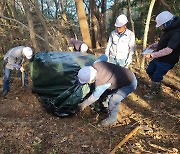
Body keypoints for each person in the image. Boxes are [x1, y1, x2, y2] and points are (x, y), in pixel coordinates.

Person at [77, 54, 137, 127]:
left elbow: (94, 97)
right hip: (123, 75)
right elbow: (104, 56)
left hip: (129, 83)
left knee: (113, 100)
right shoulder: (97, 63)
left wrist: (83, 104)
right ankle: (107, 106)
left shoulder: (102, 83)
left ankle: (112, 119)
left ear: (91, 80)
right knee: (109, 95)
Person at [144, 11, 180, 97]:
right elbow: (164, 42)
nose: (161, 27)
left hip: (167, 60)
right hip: (159, 57)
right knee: (149, 70)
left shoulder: (177, 33)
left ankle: (155, 92)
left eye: (161, 25)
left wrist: (152, 55)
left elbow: (168, 50)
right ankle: (156, 85)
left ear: (167, 23)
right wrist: (155, 45)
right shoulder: (168, 29)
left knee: (157, 75)